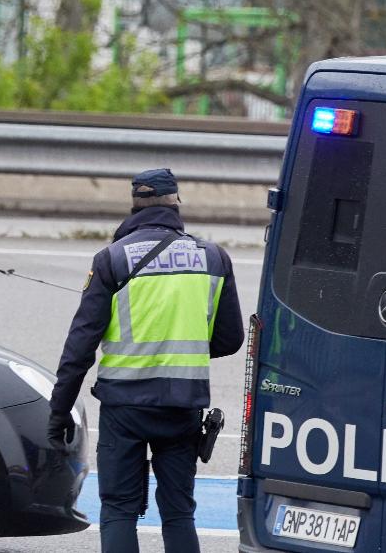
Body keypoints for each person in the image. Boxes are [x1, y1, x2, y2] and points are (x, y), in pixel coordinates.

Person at [47, 169, 243, 553]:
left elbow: (79, 348)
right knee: (178, 513)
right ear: (176, 205)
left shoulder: (111, 260)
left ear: (134, 206)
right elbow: (230, 339)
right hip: (183, 406)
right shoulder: (213, 258)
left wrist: (58, 413)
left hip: (125, 408)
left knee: (119, 509)